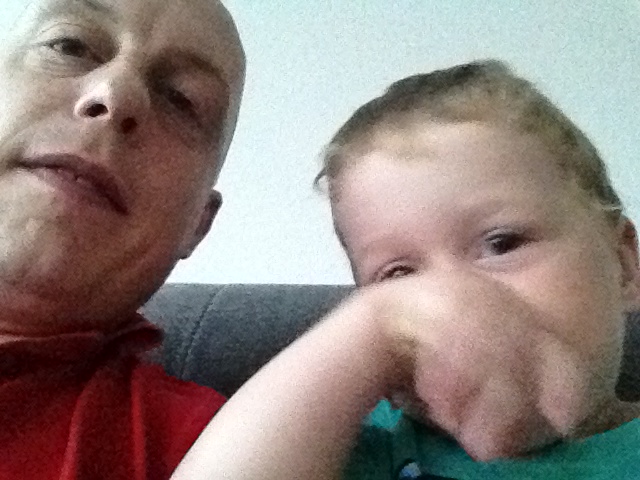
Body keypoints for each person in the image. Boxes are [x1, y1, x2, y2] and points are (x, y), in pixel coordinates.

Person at [173, 60, 640, 479]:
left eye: (502, 243)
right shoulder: (365, 443)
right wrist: (375, 327)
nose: (451, 298)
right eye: (399, 277)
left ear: (624, 266)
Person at [0, 0, 244, 478]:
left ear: (198, 224)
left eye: (182, 99)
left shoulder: (225, 450)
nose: (117, 93)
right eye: (69, 45)